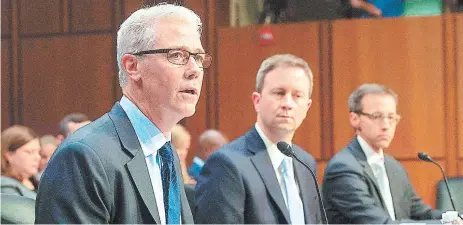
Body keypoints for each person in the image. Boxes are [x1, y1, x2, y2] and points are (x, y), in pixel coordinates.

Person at [35, 3, 211, 224]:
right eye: (178, 55)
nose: (195, 69)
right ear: (132, 66)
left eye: (198, 57)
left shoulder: (166, 153)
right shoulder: (83, 158)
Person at [194, 54, 322, 224]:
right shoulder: (226, 164)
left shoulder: (306, 163)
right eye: (279, 93)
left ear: (307, 107)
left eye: (297, 95)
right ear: (257, 101)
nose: (287, 103)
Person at [322, 83, 442, 224]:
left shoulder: (394, 167)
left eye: (391, 117)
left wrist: (452, 219)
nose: (386, 126)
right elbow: (380, 223)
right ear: (354, 119)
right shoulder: (343, 168)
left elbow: (421, 213)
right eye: (377, 116)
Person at [1, 125, 41, 199]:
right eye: (30, 152)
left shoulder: (37, 181)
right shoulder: (5, 188)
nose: (38, 157)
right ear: (9, 155)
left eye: (38, 152)